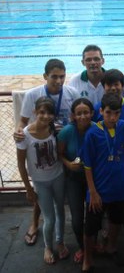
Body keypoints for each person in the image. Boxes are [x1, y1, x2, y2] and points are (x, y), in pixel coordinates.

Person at [14, 58, 79, 247]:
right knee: (41, 192)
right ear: (45, 76)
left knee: (60, 191)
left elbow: (77, 117)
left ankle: (64, 231)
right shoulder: (33, 94)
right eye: (54, 77)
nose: (59, 81)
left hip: (63, 148)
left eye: (62, 76)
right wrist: (19, 132)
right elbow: (23, 121)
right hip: (44, 145)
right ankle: (35, 223)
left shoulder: (71, 93)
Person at [81, 93, 124, 272]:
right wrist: (92, 192)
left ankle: (111, 246)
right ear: (101, 111)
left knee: (116, 220)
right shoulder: (92, 134)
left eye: (117, 113)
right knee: (91, 227)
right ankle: (87, 259)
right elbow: (87, 165)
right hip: (98, 189)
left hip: (119, 186)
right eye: (109, 113)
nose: (113, 117)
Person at [16, 97, 69, 264]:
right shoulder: (24, 135)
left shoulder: (56, 129)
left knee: (60, 211)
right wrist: (28, 188)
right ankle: (48, 246)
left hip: (58, 176)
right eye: (42, 112)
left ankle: (60, 242)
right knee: (49, 217)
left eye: (50, 113)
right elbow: (21, 164)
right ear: (34, 113)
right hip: (40, 182)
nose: (46, 116)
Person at [57, 98, 94, 264]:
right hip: (74, 179)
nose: (83, 116)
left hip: (93, 179)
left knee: (95, 215)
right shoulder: (66, 132)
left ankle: (93, 244)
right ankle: (83, 247)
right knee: (77, 219)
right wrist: (68, 164)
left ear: (92, 113)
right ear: (73, 115)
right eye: (79, 113)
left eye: (86, 112)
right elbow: (59, 154)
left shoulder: (96, 129)